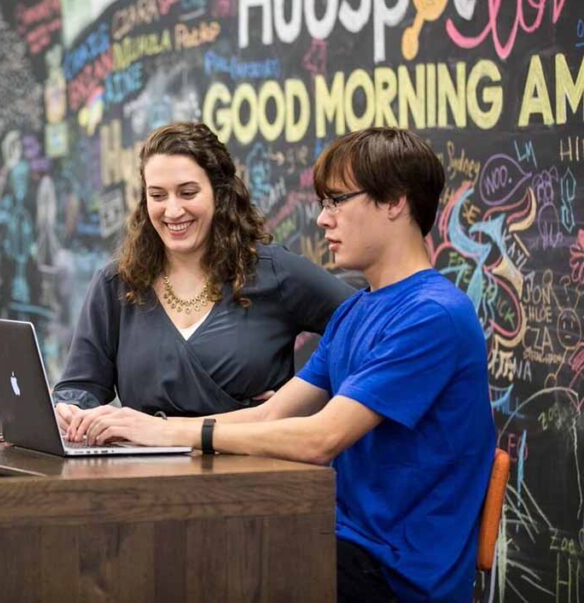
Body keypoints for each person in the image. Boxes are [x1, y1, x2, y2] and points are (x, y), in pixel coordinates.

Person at [64, 128, 496, 602]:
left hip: (394, 572)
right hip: (334, 537)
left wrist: (166, 431)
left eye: (336, 202)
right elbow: (271, 414)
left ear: (394, 201)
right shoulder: (359, 310)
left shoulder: (431, 315)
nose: (323, 219)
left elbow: (319, 438)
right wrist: (145, 428)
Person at [53, 121, 353, 419]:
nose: (172, 211)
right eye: (157, 195)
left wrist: (301, 398)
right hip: (142, 467)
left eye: (187, 193)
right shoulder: (117, 284)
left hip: (252, 465)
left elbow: (373, 329)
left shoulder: (274, 272)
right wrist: (70, 413)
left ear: (219, 193)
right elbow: (80, 389)